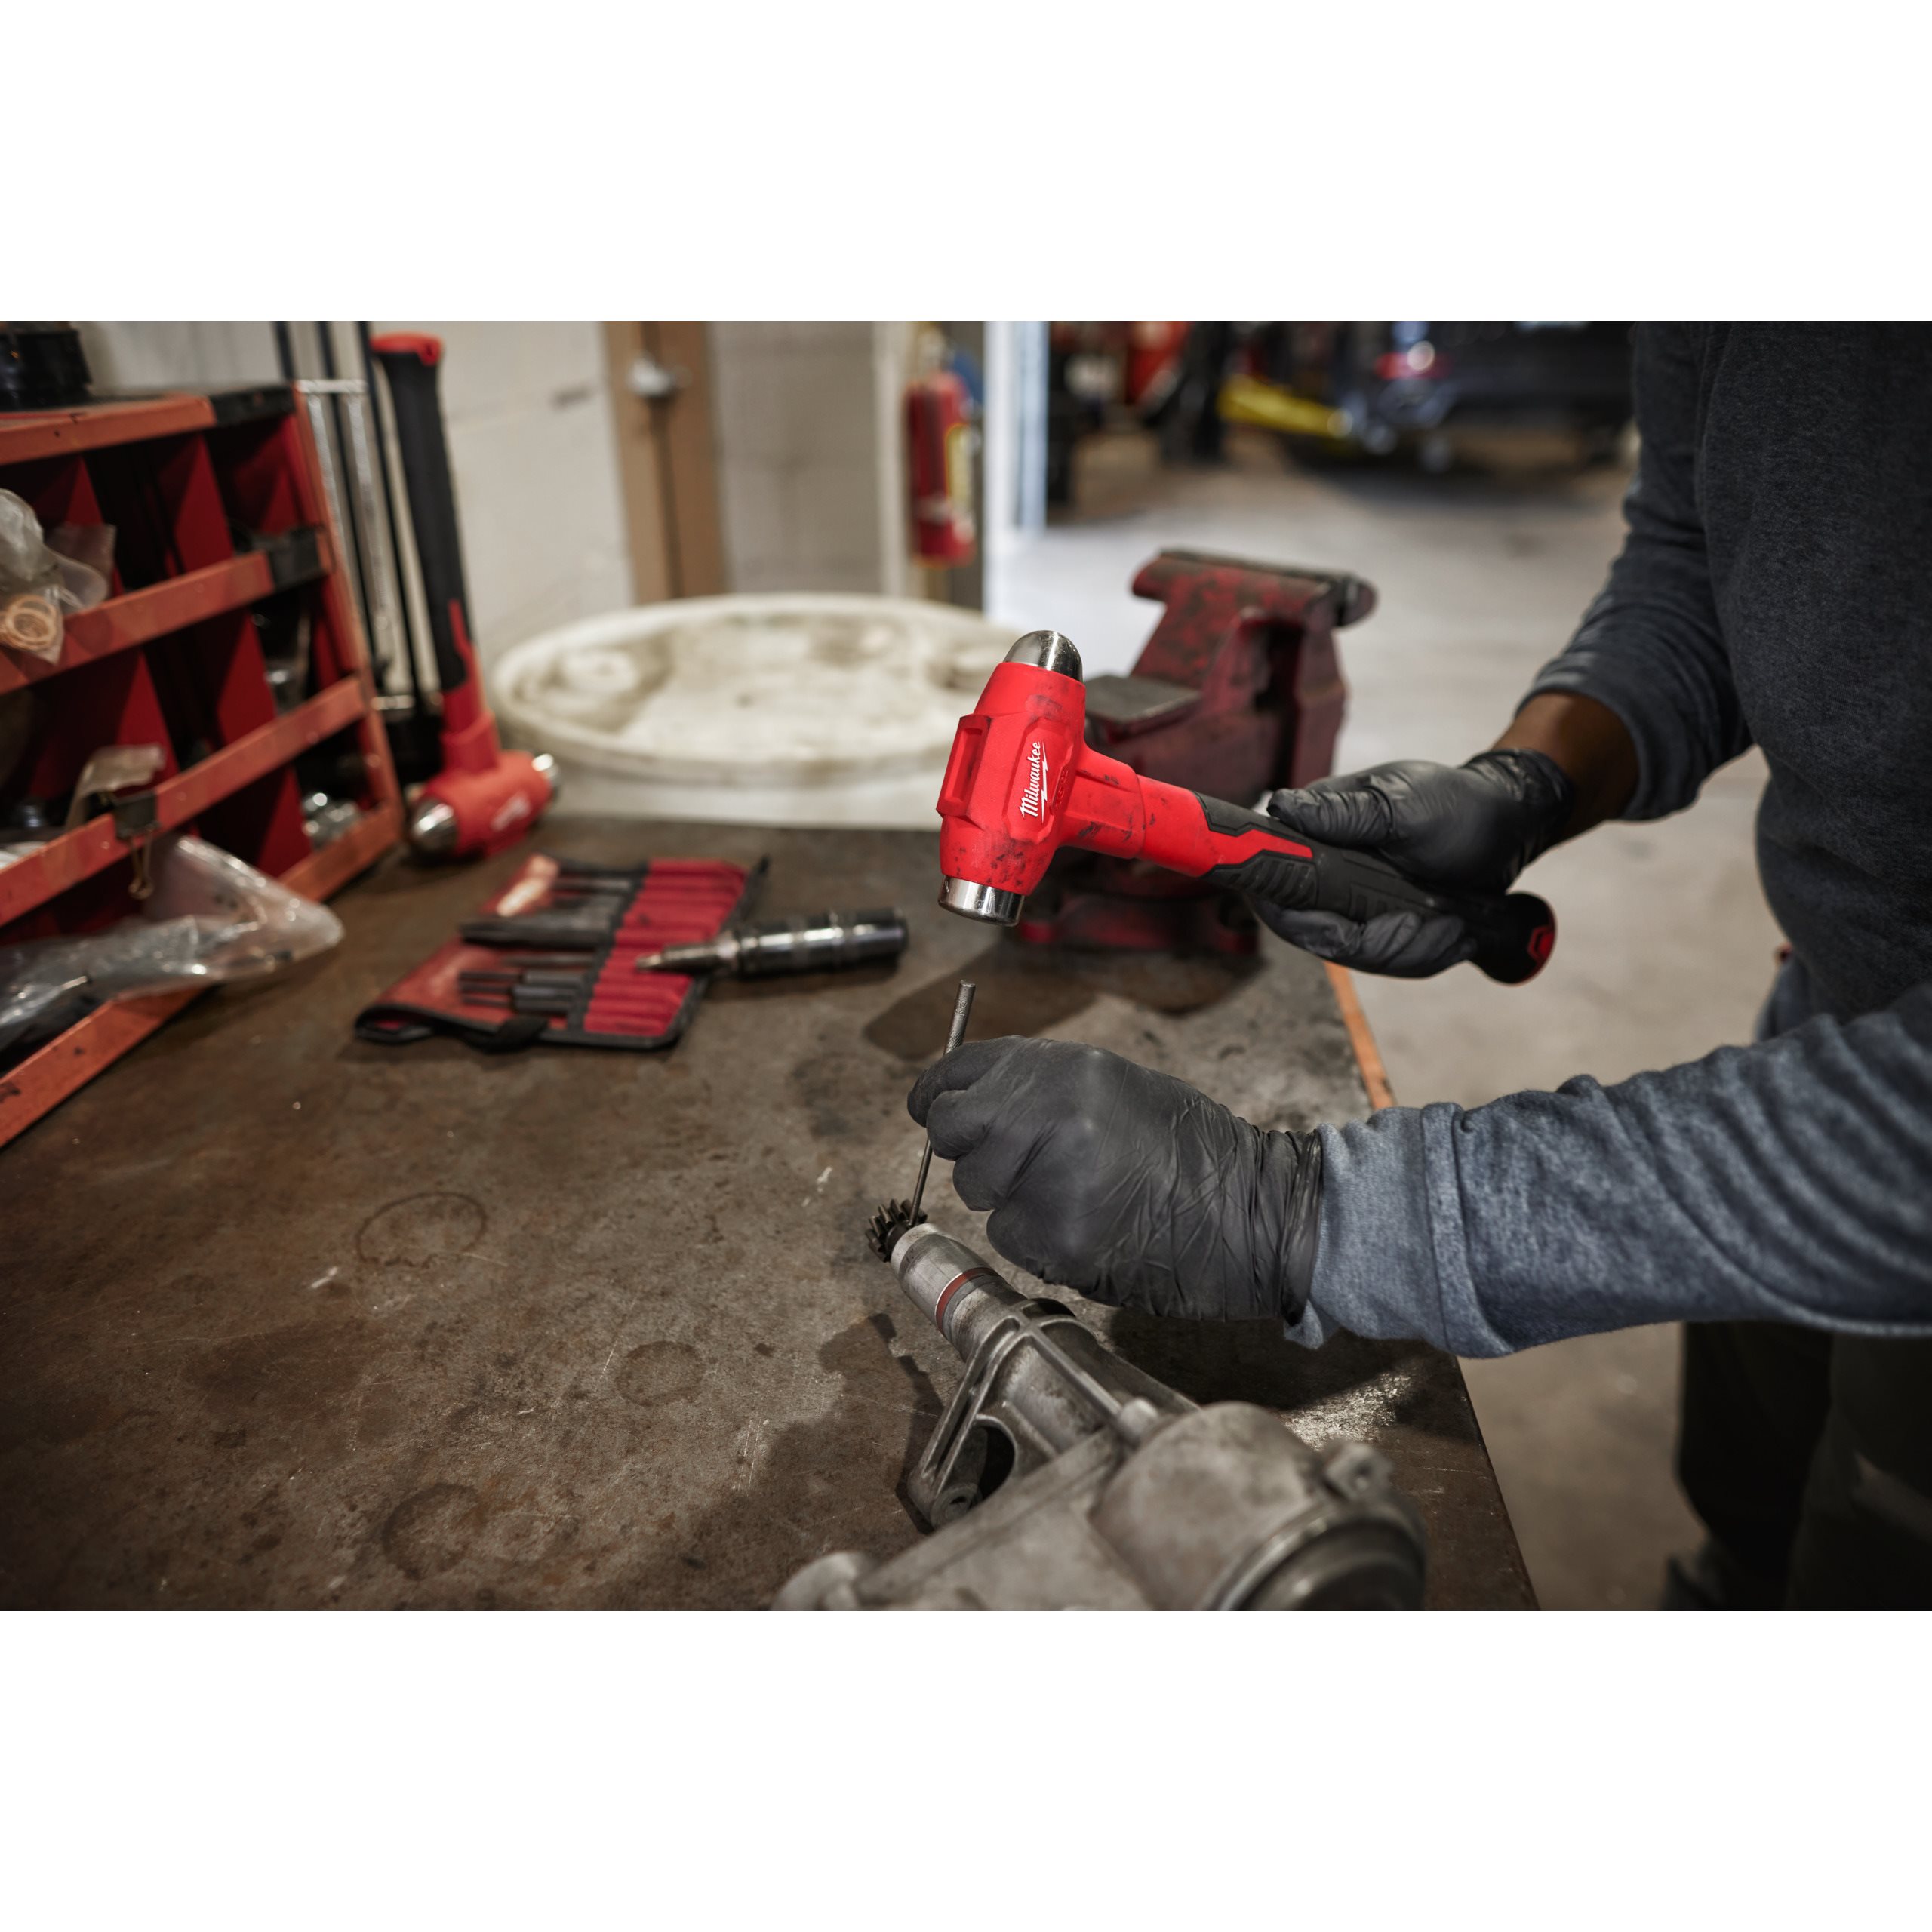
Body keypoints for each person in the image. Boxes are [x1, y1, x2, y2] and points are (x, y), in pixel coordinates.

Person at [909, 325, 1932, 1610]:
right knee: (1750, 1486)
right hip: (1825, 1004)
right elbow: (1700, 560)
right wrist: (1532, 780)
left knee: (1869, 1553)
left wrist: (1305, 1215)